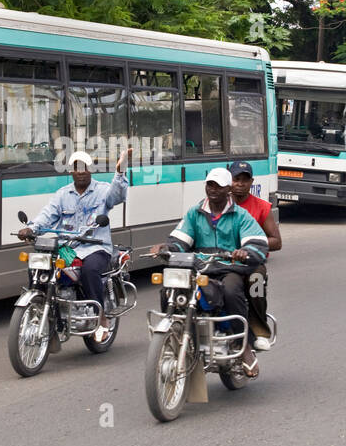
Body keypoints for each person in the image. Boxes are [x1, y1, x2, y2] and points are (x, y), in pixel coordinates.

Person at [151, 168, 269, 377]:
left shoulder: (240, 215)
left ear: (228, 190)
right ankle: (175, 333)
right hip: (199, 268)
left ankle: (243, 347)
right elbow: (180, 239)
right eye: (210, 185)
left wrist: (245, 252)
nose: (213, 190)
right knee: (171, 288)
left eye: (219, 186)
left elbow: (258, 243)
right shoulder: (194, 213)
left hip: (227, 268)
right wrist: (167, 248)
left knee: (231, 291)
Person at [19, 147, 131, 342]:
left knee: (89, 270)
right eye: (76, 167)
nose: (80, 171)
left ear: (90, 170)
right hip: (68, 250)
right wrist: (31, 229)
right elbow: (47, 215)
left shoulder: (103, 190)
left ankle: (101, 316)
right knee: (40, 266)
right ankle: (47, 318)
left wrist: (120, 171)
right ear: (71, 171)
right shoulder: (62, 195)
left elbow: (118, 195)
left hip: (96, 247)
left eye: (84, 167)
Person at [228, 161, 281, 351]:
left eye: (245, 180)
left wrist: (251, 247)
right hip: (222, 262)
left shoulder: (262, 207)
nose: (240, 184)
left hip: (251, 263)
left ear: (251, 182)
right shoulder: (218, 204)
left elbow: (276, 241)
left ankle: (260, 330)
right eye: (236, 179)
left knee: (257, 281)